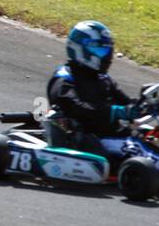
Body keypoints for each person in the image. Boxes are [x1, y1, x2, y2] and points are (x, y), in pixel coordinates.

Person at [46, 20, 134, 159]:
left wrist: (147, 105)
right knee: (138, 157)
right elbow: (74, 108)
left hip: (115, 135)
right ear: (79, 48)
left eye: (107, 49)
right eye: (100, 49)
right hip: (87, 139)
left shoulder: (103, 78)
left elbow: (126, 103)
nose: (106, 55)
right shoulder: (65, 77)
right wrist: (114, 112)